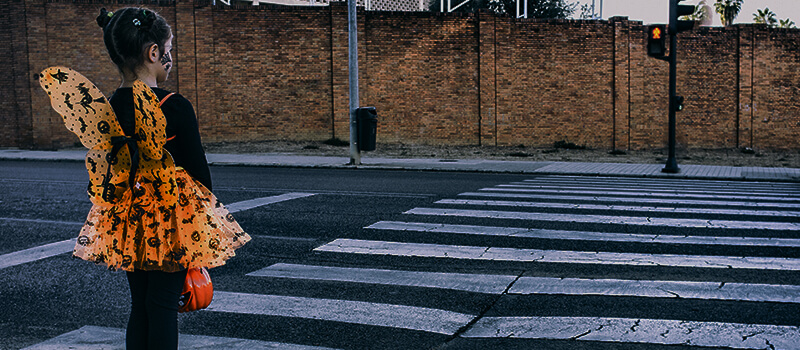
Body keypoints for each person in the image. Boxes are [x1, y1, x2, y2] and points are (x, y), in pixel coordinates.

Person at [71, 7, 250, 349]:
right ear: (153, 53)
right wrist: (201, 233)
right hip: (173, 221)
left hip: (127, 218)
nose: (171, 58)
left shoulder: (108, 108)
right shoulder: (175, 106)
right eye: (169, 50)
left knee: (141, 305)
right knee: (165, 304)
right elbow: (200, 176)